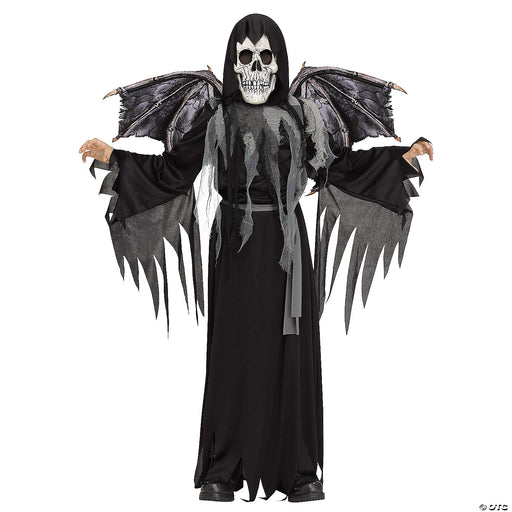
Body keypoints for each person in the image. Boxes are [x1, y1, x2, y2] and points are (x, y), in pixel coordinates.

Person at [79, 13, 433, 503]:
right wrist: (115, 160)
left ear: (279, 63)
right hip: (233, 249)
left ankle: (299, 470)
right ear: (232, 64)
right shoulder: (215, 117)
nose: (256, 68)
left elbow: (339, 166)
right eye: (246, 57)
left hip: (287, 250)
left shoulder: (301, 115)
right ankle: (223, 469)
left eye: (266, 57)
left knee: (290, 352)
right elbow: (173, 171)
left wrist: (399, 160)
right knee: (234, 352)